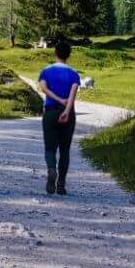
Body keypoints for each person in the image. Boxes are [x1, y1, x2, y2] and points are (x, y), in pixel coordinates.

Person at [37, 39, 81, 195]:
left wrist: (57, 99)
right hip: (67, 114)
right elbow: (72, 95)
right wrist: (66, 110)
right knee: (65, 150)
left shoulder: (46, 71)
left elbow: (43, 88)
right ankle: (61, 184)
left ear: (55, 53)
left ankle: (51, 169)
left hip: (50, 112)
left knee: (50, 148)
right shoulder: (74, 74)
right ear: (68, 55)